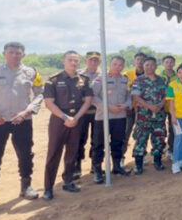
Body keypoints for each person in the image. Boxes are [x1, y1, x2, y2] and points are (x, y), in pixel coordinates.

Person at [0, 42, 43, 210]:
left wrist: (27, 111)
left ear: (23, 55)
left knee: (25, 154)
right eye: (11, 52)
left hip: (22, 121)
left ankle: (26, 186)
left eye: (18, 53)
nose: (15, 55)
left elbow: (40, 94)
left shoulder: (32, 72)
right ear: (4, 53)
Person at [42, 51, 94, 200]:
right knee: (53, 153)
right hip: (59, 120)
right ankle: (48, 187)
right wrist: (66, 117)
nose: (73, 63)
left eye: (76, 61)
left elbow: (88, 99)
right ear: (63, 61)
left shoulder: (84, 80)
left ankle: (68, 181)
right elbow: (49, 103)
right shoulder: (53, 80)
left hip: (77, 120)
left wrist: (76, 117)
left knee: (72, 152)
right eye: (70, 60)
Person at [90, 56, 132, 183]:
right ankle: (97, 170)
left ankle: (117, 166)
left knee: (118, 142)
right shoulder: (100, 79)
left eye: (120, 65)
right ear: (110, 64)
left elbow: (130, 95)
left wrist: (126, 104)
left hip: (120, 116)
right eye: (115, 64)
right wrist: (107, 107)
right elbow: (93, 97)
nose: (118, 67)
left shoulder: (125, 79)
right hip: (103, 117)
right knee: (98, 144)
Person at [131, 57, 168, 174]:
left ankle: (157, 161)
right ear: (143, 66)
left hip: (159, 116)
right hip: (144, 117)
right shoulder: (138, 80)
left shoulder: (162, 80)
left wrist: (160, 104)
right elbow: (136, 97)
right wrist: (149, 106)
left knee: (159, 139)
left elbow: (166, 96)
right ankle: (138, 164)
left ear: (156, 66)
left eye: (152, 65)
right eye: (147, 65)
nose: (149, 67)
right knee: (141, 140)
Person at [75, 51, 101, 180]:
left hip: (98, 113)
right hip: (82, 113)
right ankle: (77, 166)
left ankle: (95, 164)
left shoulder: (103, 75)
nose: (93, 62)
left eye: (96, 60)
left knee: (97, 140)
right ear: (86, 61)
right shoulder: (78, 74)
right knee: (79, 139)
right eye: (91, 60)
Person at [122, 52, 146, 166]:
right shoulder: (127, 75)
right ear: (134, 61)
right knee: (125, 133)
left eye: (142, 60)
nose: (140, 62)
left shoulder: (149, 75)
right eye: (138, 60)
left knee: (141, 134)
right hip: (129, 109)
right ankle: (120, 157)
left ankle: (139, 156)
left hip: (143, 110)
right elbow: (124, 92)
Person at [160, 55, 177, 161]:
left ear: (174, 64)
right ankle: (160, 149)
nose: (169, 64)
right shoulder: (158, 76)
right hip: (160, 107)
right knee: (160, 130)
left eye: (171, 62)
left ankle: (171, 149)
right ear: (163, 63)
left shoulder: (178, 76)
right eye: (167, 62)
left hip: (173, 107)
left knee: (173, 128)